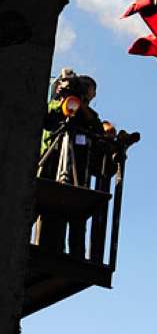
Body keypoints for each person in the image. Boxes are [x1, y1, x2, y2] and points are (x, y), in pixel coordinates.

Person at [38, 70, 104, 257]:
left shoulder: (88, 114)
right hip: (52, 161)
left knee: (76, 210)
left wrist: (80, 106)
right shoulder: (57, 105)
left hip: (77, 167)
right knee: (46, 205)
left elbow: (96, 129)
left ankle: (76, 253)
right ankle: (47, 247)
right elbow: (49, 120)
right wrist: (63, 100)